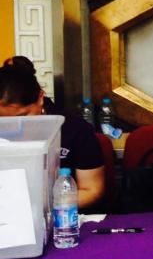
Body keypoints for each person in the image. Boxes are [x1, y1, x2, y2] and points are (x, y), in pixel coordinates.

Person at [0, 56, 106, 210]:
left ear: (40, 98)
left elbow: (92, 190)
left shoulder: (74, 129)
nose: (14, 126)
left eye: (22, 116)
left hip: (62, 218)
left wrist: (40, 205)